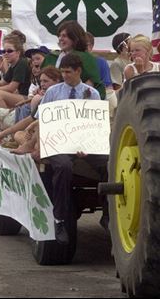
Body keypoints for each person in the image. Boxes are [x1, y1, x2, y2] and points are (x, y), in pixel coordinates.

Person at [33, 54, 105, 245]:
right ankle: (60, 219)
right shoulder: (53, 93)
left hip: (84, 145)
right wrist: (40, 146)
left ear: (78, 71)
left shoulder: (92, 94)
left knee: (108, 164)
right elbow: (42, 120)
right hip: (58, 144)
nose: (64, 75)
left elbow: (95, 125)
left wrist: (87, 146)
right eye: (63, 72)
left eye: (68, 72)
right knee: (63, 167)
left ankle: (108, 211)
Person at [0, 66, 62, 145]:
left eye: (45, 81)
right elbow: (30, 119)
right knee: (18, 134)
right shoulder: (45, 97)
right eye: (41, 81)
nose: (42, 84)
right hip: (41, 134)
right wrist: (3, 133)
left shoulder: (62, 96)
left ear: (57, 81)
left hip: (56, 136)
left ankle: (34, 146)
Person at [41, 21, 106, 99]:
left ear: (74, 38)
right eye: (59, 36)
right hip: (50, 97)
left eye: (64, 36)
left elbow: (89, 86)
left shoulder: (86, 58)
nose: (60, 39)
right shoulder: (51, 57)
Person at [0, 34, 31, 109]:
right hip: (21, 97)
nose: (6, 53)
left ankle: (5, 120)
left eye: (9, 51)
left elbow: (11, 88)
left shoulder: (22, 63)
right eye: (3, 51)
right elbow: (2, 83)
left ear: (18, 52)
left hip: (28, 99)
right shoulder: (14, 64)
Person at [86, 32, 117, 121]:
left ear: (91, 46)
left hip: (98, 103)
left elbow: (108, 88)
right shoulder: (71, 62)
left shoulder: (100, 62)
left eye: (86, 45)